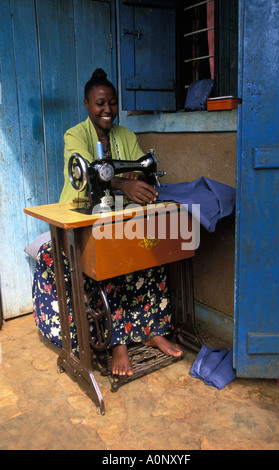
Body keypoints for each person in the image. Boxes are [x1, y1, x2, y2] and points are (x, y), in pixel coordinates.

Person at [32, 68, 182, 377]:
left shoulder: (124, 135)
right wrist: (123, 184)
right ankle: (118, 344)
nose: (108, 110)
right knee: (106, 262)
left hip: (118, 217)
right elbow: (88, 176)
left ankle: (149, 330)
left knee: (149, 251)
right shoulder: (75, 135)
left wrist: (136, 176)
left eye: (113, 103)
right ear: (86, 104)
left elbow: (141, 166)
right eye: (100, 103)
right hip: (79, 219)